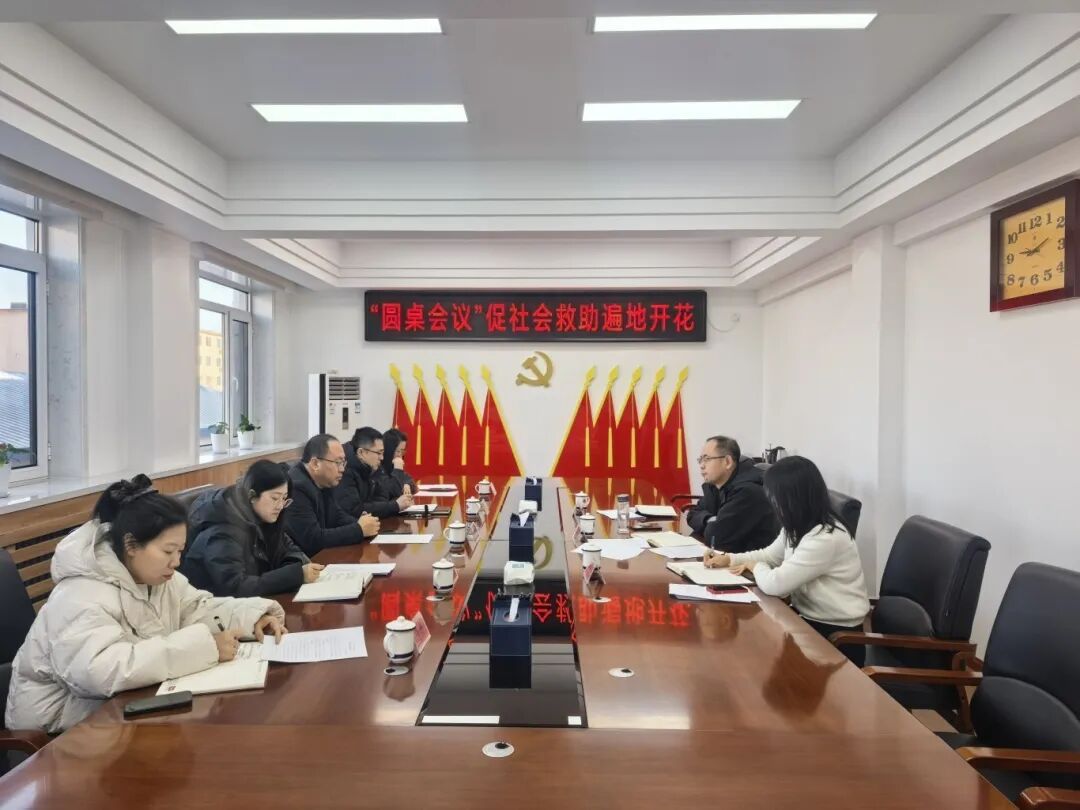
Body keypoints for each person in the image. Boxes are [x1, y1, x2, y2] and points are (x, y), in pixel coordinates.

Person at [5, 475, 287, 734]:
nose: (176, 562)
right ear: (130, 545)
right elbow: (100, 672)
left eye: (180, 551)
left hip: (118, 712)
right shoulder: (81, 595)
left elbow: (196, 608)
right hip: (56, 732)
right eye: (168, 551)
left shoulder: (155, 575)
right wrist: (205, 647)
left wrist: (251, 618)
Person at [704, 456, 870, 665]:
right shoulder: (799, 526)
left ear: (793, 498)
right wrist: (728, 558)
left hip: (837, 639)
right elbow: (769, 556)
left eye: (775, 497)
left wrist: (755, 566)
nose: (773, 503)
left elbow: (776, 585)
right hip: (807, 623)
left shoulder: (825, 538)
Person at [181, 460, 324, 597]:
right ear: (252, 496)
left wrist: (292, 571)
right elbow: (235, 586)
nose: (280, 506)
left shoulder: (264, 516)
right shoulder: (222, 530)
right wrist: (294, 575)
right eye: (275, 498)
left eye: (284, 498)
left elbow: (292, 551)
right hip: (214, 607)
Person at [285, 434, 379, 557]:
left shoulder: (324, 481)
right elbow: (313, 539)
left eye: (343, 463)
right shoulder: (297, 487)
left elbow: (337, 516)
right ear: (315, 464)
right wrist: (358, 529)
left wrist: (362, 523)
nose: (342, 469)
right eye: (338, 462)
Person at [687, 436, 778, 553]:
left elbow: (715, 538)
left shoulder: (747, 491)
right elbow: (692, 514)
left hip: (750, 561)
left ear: (728, 462)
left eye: (707, 459)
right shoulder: (715, 486)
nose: (701, 465)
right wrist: (709, 519)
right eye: (700, 460)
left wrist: (710, 524)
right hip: (727, 557)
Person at [336, 426, 413, 519]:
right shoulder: (344, 470)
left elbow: (381, 497)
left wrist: (390, 505)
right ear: (361, 452)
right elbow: (354, 509)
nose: (382, 457)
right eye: (379, 453)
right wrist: (395, 505)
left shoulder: (370, 465)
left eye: (382, 453)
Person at [379, 428, 418, 499]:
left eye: (402, 451)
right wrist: (397, 470)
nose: (400, 455)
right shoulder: (377, 467)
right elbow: (394, 492)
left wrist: (407, 484)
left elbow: (412, 483)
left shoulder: (392, 465)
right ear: (388, 450)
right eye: (397, 451)